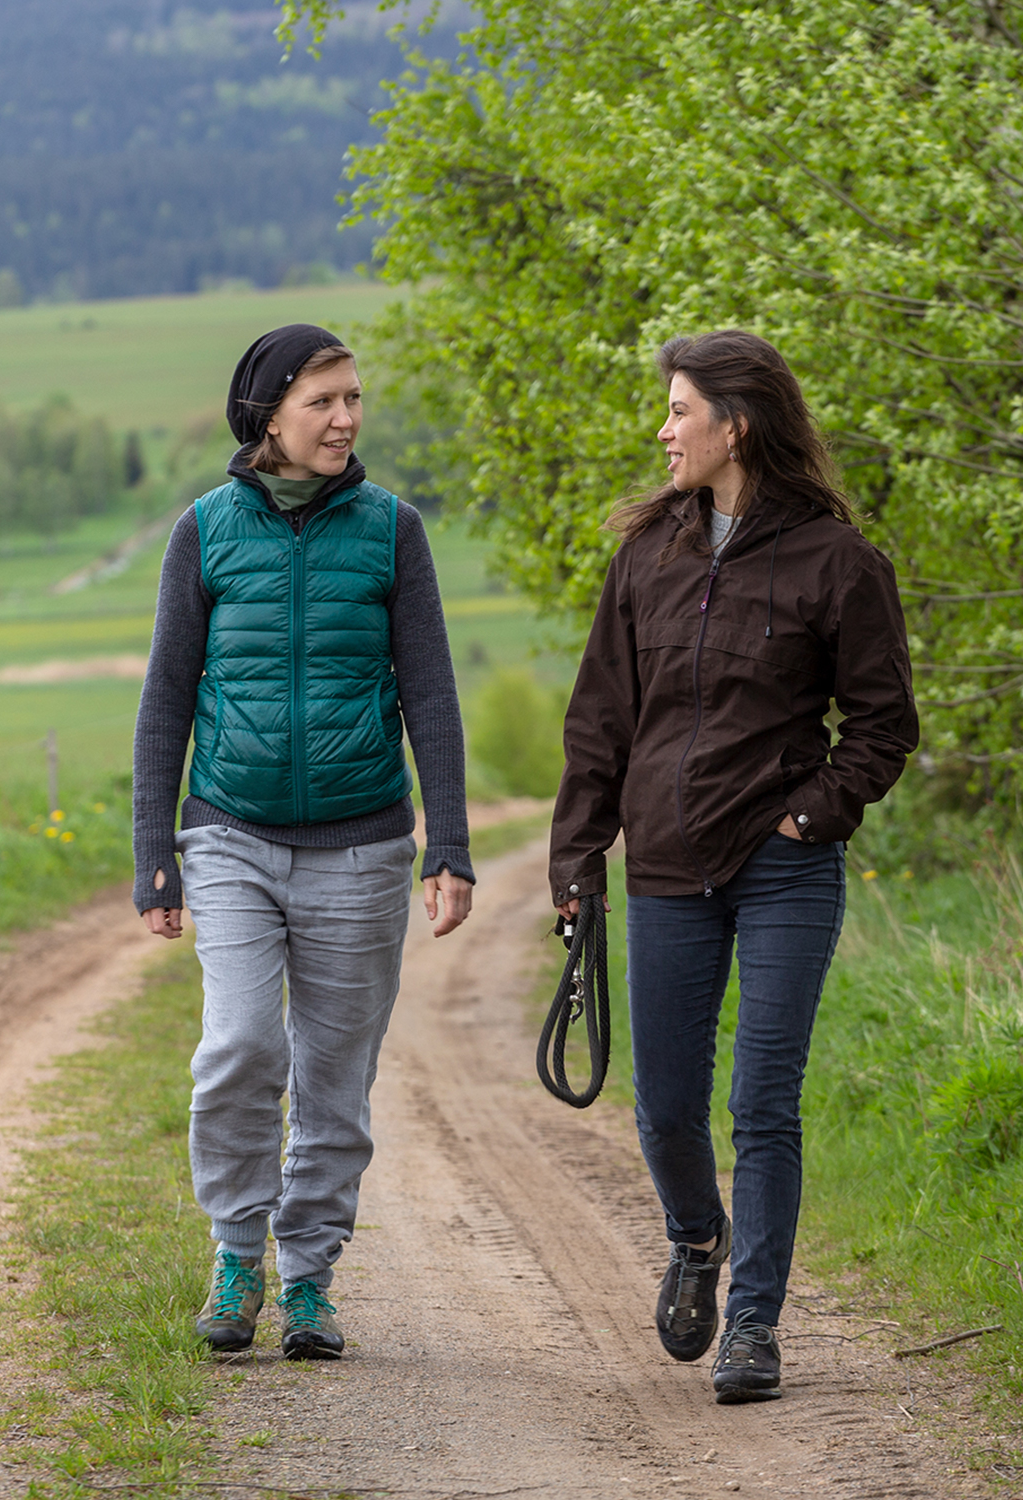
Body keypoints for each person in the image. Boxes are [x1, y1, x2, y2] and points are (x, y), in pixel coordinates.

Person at [549, 330, 918, 1403]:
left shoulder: (839, 563)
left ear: (735, 425)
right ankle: (697, 1241)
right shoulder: (646, 557)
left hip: (783, 867)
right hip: (663, 863)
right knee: (664, 1107)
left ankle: (753, 1324)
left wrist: (814, 814)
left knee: (764, 1099)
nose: (663, 432)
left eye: (678, 412)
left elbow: (885, 725)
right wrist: (578, 861)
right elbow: (599, 724)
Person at [134, 323, 474, 1360]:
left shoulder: (391, 531)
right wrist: (156, 845)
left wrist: (448, 843)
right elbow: (166, 699)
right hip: (229, 835)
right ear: (268, 413)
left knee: (335, 1074)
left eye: (354, 399)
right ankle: (236, 1256)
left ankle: (310, 1277)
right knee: (239, 1044)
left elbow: (430, 691)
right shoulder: (205, 530)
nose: (346, 419)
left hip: (363, 847)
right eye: (324, 401)